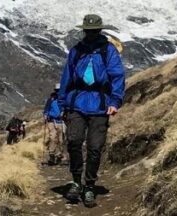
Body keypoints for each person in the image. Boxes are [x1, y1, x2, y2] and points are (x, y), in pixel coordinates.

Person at [58, 14, 126, 208]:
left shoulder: (108, 51)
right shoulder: (76, 51)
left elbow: (117, 76)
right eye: (88, 31)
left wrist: (115, 101)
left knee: (95, 147)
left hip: (100, 104)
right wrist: (63, 103)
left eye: (94, 31)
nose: (90, 34)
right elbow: (67, 77)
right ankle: (76, 181)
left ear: (99, 31)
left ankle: (89, 186)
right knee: (74, 141)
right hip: (77, 102)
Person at [42, 83, 65, 165]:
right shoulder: (51, 99)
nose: (58, 92)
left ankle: (59, 155)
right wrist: (45, 115)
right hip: (51, 120)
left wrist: (64, 113)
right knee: (53, 137)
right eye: (57, 90)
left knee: (61, 139)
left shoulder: (63, 99)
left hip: (60, 121)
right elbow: (46, 109)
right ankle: (52, 155)